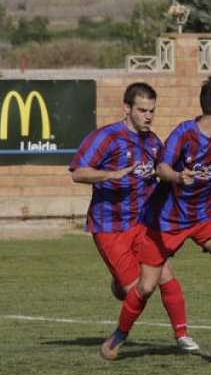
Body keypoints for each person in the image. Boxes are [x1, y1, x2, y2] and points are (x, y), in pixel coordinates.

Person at [99, 75, 211, 361]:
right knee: (145, 287)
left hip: (206, 213)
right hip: (166, 220)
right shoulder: (184, 134)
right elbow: (162, 169)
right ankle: (119, 335)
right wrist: (179, 177)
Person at [69, 82, 197, 352]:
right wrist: (111, 174)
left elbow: (161, 177)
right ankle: (119, 292)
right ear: (127, 108)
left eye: (151, 110)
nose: (148, 116)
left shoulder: (153, 143)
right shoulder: (106, 137)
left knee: (165, 276)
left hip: (143, 225)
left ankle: (182, 336)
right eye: (142, 110)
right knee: (136, 292)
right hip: (110, 227)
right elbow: (79, 172)